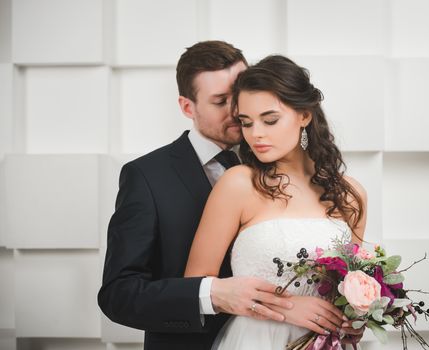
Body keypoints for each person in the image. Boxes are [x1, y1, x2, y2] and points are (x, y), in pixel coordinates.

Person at [97, 41, 295, 350]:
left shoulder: (279, 162)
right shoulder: (147, 176)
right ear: (188, 107)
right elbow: (118, 294)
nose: (238, 110)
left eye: (241, 93)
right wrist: (211, 295)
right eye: (220, 101)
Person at [184, 55, 368, 349]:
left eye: (270, 120)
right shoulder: (238, 183)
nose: (256, 134)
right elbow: (196, 281)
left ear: (304, 115)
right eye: (246, 122)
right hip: (256, 339)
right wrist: (288, 307)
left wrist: (355, 320)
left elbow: (351, 284)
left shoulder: (349, 195)